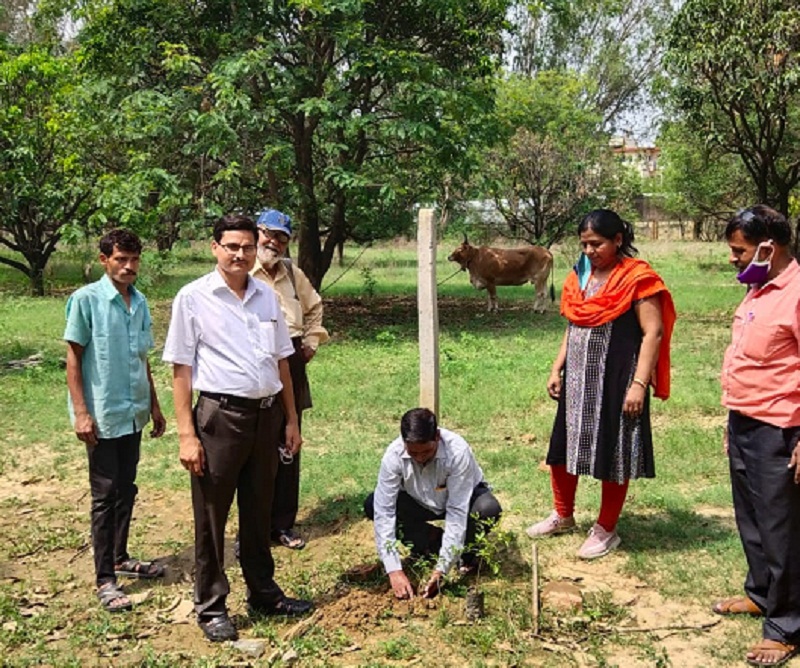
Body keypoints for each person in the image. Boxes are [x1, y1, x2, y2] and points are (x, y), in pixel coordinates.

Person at [162, 214, 313, 643]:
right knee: (212, 516)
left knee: (259, 508)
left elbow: (282, 360)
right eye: (231, 246)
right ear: (215, 248)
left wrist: (291, 419)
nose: (239, 254)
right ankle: (211, 606)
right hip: (220, 418)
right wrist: (187, 435)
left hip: (267, 417)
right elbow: (181, 369)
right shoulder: (193, 298)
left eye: (247, 247)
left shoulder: (266, 297)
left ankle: (263, 591)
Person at [526, 208, 676, 559]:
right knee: (563, 446)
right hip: (578, 379)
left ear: (618, 240)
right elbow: (574, 325)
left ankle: (606, 529)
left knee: (614, 450)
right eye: (585, 244)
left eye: (597, 244)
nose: (590, 251)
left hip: (618, 378)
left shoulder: (638, 278)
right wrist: (556, 368)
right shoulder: (581, 275)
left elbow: (652, 332)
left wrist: (639, 384)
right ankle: (563, 514)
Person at [713, 205, 800, 667]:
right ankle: (761, 593)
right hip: (745, 419)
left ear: (769, 247)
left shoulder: (797, 292)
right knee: (751, 518)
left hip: (782, 426)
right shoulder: (756, 289)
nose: (733, 258)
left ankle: (785, 626)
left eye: (738, 250)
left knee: (781, 527)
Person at [64, 229, 167, 613]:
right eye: (121, 259)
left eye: (134, 260)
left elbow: (142, 359)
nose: (128, 266)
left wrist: (154, 407)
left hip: (134, 412)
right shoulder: (86, 300)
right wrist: (82, 413)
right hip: (103, 416)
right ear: (105, 259)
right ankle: (105, 578)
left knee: (127, 487)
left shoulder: (139, 303)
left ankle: (121, 557)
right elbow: (74, 359)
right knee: (105, 495)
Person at [251, 208, 329, 550]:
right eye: (269, 234)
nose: (274, 242)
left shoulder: (291, 273)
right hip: (253, 362)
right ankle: (252, 529)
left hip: (291, 358)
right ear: (257, 233)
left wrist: (311, 343)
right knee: (254, 448)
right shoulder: (241, 271)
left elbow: (314, 308)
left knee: (289, 443)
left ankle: (283, 524)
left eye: (282, 237)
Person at [364, 408, 502, 600]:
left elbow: (457, 510)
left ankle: (467, 556)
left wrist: (441, 570)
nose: (420, 458)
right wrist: (394, 570)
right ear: (404, 442)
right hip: (419, 501)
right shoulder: (392, 456)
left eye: (427, 451)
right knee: (372, 504)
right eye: (413, 453)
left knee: (487, 509)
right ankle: (430, 542)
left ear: (437, 436)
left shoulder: (457, 451)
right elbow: (384, 511)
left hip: (461, 499)